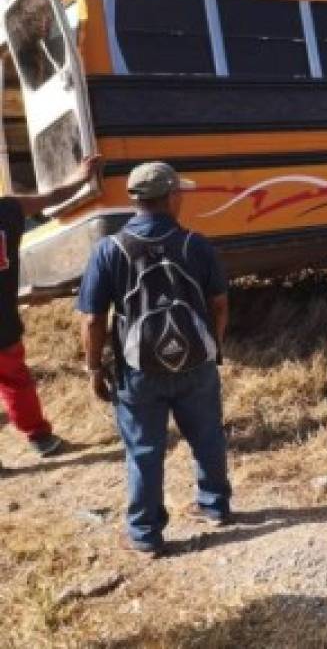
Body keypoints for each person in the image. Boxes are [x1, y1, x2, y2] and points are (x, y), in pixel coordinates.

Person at [77, 162, 231, 556]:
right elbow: (219, 305)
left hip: (138, 369)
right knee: (208, 436)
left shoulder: (109, 250)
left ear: (136, 200)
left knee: (144, 451)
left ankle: (146, 535)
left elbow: (93, 319)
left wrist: (94, 366)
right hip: (197, 363)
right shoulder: (196, 244)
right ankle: (215, 507)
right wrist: (213, 349)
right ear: (172, 197)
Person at [0, 156, 101, 468]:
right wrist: (81, 177)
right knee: (16, 381)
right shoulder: (7, 210)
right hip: (3, 325)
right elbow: (53, 197)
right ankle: (40, 438)